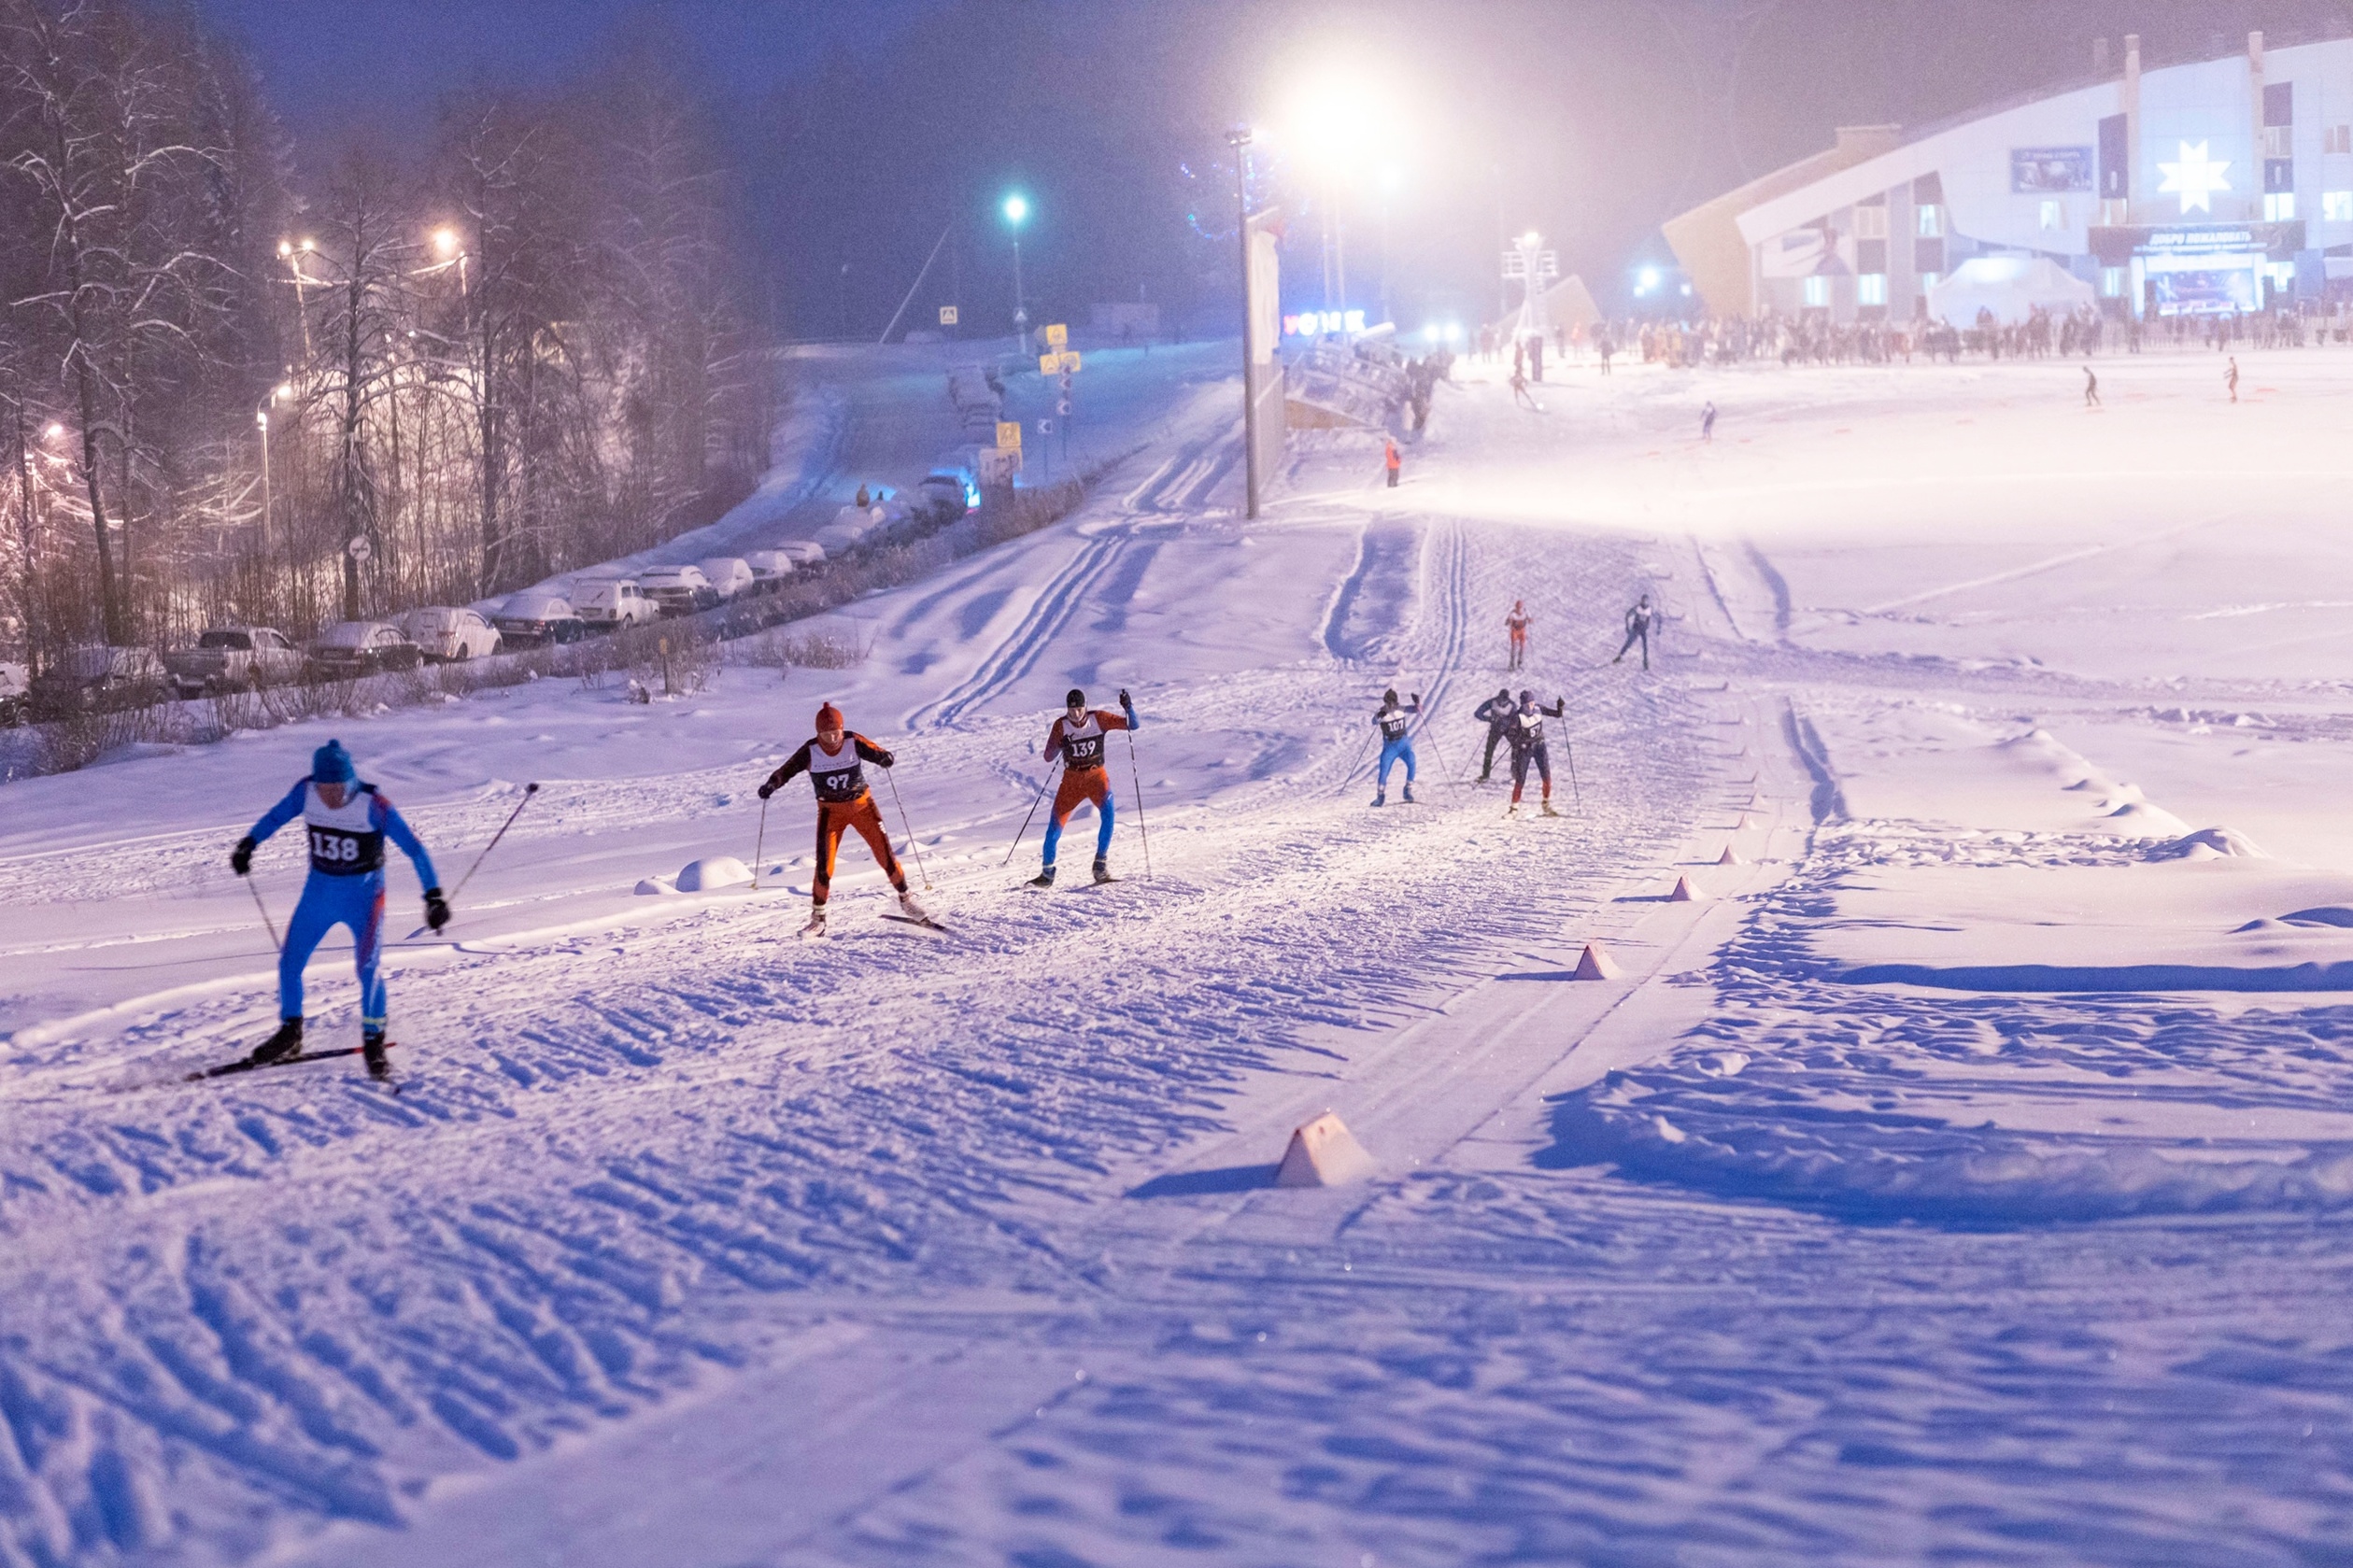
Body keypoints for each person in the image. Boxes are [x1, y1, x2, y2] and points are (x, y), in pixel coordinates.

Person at [230, 739, 446, 1079]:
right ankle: (291, 1031)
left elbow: (415, 850)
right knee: (289, 960)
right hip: (319, 893)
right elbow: (275, 817)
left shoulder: (373, 805)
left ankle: (374, 1040)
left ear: (350, 781)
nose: (329, 796)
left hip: (363, 898)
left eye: (337, 788)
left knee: (367, 969)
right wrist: (249, 844)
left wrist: (433, 897)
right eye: (324, 787)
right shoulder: (306, 792)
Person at [758, 702, 927, 937]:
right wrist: (771, 785)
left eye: (835, 732)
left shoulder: (852, 741)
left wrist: (885, 758)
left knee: (885, 854)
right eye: (826, 734)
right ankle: (818, 919)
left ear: (842, 728)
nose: (832, 738)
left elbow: (877, 753)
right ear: (818, 733)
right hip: (831, 813)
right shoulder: (810, 750)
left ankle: (906, 899)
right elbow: (785, 771)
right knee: (824, 866)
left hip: (863, 807)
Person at [1032, 686, 1138, 886]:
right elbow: (1048, 757)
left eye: (1079, 709)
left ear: (1085, 707)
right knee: (1053, 829)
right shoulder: (1060, 725)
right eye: (1071, 711)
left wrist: (1129, 707)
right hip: (1072, 781)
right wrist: (1060, 745)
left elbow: (1133, 725)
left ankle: (1100, 866)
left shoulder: (1099, 719)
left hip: (1096, 777)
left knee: (1109, 816)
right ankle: (1047, 875)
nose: (1076, 714)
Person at [1506, 690, 1566, 818]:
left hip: (1539, 746)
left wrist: (1560, 707)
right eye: (1528, 704)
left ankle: (1546, 804)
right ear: (1523, 704)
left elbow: (1556, 715)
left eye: (1532, 703)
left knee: (1546, 776)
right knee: (1520, 779)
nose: (1531, 706)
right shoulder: (1518, 717)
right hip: (1525, 749)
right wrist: (1520, 743)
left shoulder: (1538, 709)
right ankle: (1514, 809)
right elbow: (1510, 735)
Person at [1370, 687, 1421, 806]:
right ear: (1385, 702)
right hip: (1390, 747)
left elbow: (1416, 710)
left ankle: (1407, 790)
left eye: (1393, 701)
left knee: (1412, 762)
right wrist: (1379, 716)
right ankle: (1380, 796)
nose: (1392, 704)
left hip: (1404, 744)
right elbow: (1374, 721)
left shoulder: (1401, 709)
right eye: (1389, 702)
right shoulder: (1382, 711)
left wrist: (1417, 702)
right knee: (1384, 771)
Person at [1474, 686, 1516, 782]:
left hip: (1508, 730)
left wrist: (1504, 721)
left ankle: (1515, 773)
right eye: (1500, 699)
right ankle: (1485, 775)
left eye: (1504, 700)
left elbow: (1516, 720)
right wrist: (1489, 719)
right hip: (1495, 729)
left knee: (1516, 748)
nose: (1502, 702)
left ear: (1507, 699)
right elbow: (1477, 713)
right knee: (1489, 750)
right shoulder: (1492, 702)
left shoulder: (1512, 706)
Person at [1613, 594, 1654, 670]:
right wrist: (1627, 626)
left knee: (1645, 646)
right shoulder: (1638, 608)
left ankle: (1645, 661)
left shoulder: (1649, 610)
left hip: (1643, 630)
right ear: (1641, 600)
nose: (1645, 602)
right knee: (1629, 643)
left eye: (1646, 601)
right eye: (1643, 600)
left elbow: (1652, 617)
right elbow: (1628, 614)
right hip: (1636, 629)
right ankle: (1620, 656)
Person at [1506, 600, 1531, 671]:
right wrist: (1508, 621)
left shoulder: (1525, 612)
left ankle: (1520, 662)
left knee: (1522, 646)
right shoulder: (1513, 613)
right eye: (1518, 607)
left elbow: (1530, 619)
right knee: (1514, 647)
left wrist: (1530, 620)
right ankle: (1512, 664)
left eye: (1520, 607)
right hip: (1515, 631)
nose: (1519, 609)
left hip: (1522, 631)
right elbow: (1507, 621)